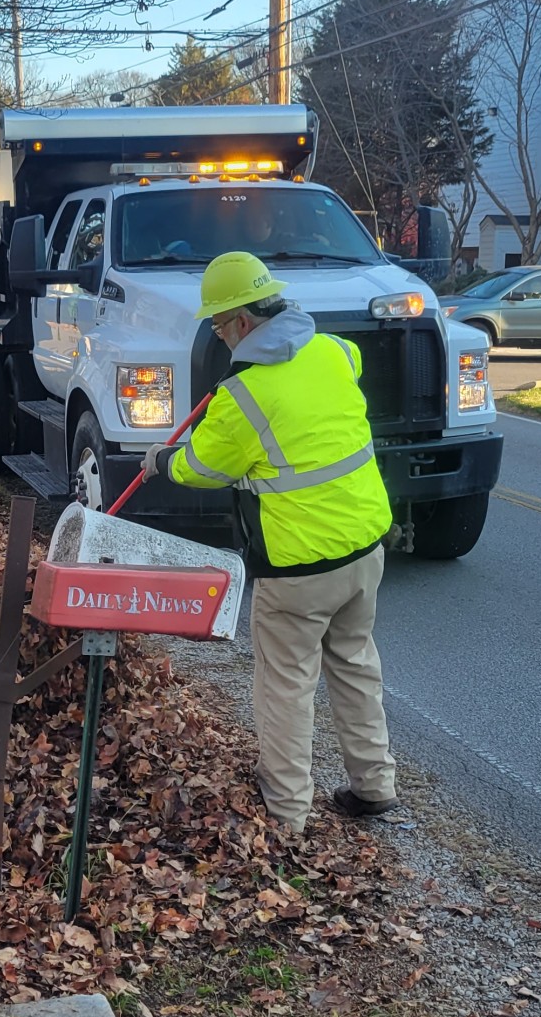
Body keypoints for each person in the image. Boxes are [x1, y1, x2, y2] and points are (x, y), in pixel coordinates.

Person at [141, 249, 396, 837]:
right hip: (365, 545)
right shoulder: (333, 351)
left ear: (242, 323)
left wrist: (163, 460)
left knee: (286, 684)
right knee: (356, 664)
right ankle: (374, 786)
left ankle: (287, 813)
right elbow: (346, 368)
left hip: (298, 566)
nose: (218, 337)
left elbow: (204, 466)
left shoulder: (242, 397)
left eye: (219, 325)